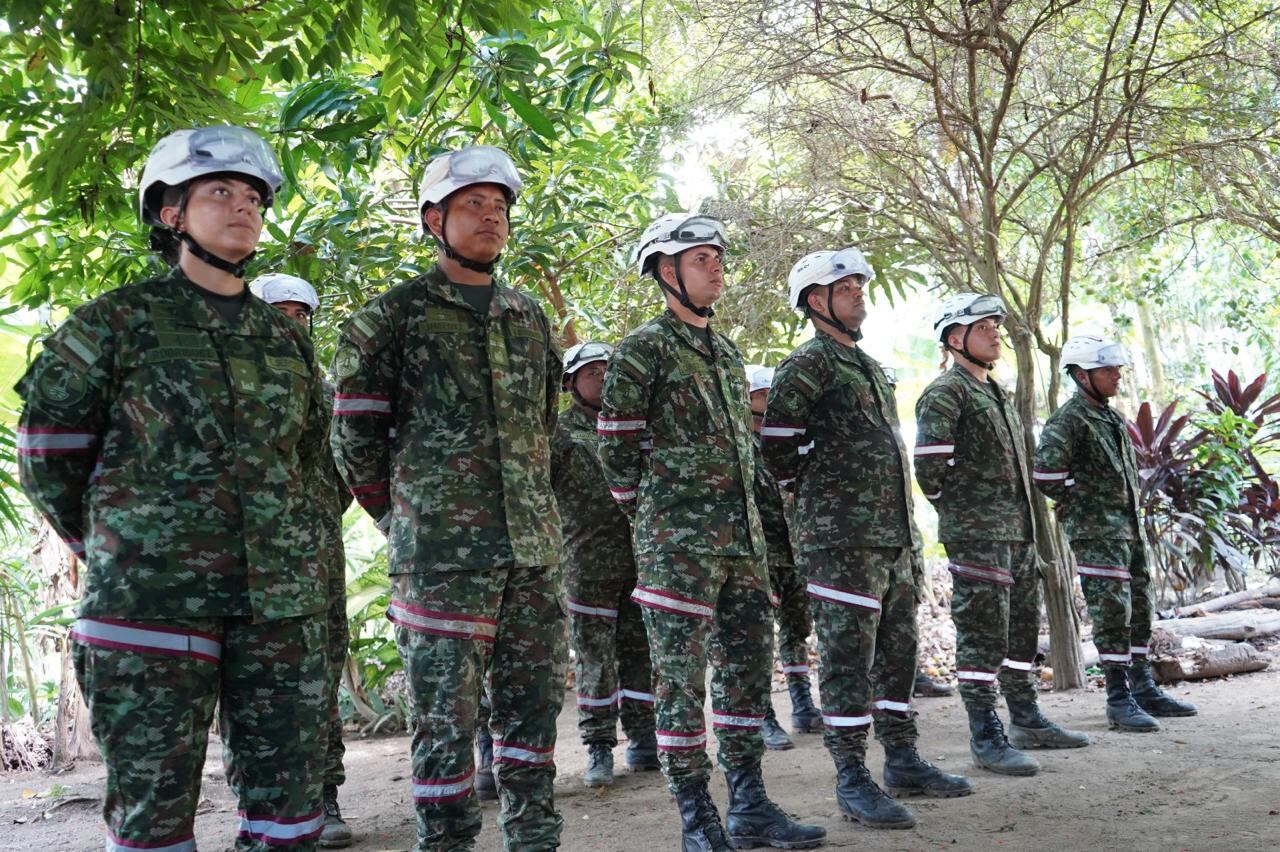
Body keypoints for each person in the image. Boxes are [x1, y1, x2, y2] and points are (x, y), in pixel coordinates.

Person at [17, 126, 331, 851]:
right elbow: (48, 454)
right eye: (220, 190)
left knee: (292, 820)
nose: (243, 206)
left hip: (278, 611)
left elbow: (313, 466)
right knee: (153, 823)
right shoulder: (114, 324)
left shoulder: (284, 340)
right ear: (169, 213)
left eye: (253, 195)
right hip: (148, 604)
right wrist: (119, 544)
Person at [330, 145, 567, 850]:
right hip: (438, 560)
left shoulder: (529, 318)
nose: (491, 216)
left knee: (532, 719)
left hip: (531, 554)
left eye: (499, 207)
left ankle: (535, 841)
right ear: (434, 219)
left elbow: (542, 430)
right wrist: (405, 520)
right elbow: (355, 442)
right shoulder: (389, 319)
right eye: (473, 204)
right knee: (444, 726)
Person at [598, 213, 825, 851]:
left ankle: (749, 803)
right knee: (678, 681)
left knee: (746, 675)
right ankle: (697, 816)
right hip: (677, 549)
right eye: (701, 258)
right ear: (666, 272)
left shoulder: (725, 353)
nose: (716, 267)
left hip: (742, 546)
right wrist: (655, 521)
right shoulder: (643, 348)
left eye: (718, 257)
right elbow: (615, 453)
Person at [762, 249, 971, 831]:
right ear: (814, 300)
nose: (858, 292)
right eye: (844, 284)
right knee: (848, 661)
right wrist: (821, 499)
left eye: (859, 283)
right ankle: (852, 779)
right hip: (840, 544)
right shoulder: (805, 366)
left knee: (898, 656)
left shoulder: (871, 366)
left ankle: (902, 760)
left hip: (895, 540)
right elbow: (776, 449)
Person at [1034, 335, 1197, 731]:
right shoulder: (1068, 420)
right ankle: (1117, 698)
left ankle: (1142, 687)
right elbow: (1045, 475)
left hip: (1127, 530)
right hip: (1096, 533)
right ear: (1081, 374)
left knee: (1139, 606)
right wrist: (1081, 499)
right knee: (1112, 613)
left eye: (1117, 369)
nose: (1117, 376)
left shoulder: (1109, 417)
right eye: (1108, 370)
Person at [250, 273, 355, 847]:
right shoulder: (234, 384)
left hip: (317, 560)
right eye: (281, 314)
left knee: (318, 679)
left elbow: (345, 471)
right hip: (246, 567)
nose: (294, 325)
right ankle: (261, 807)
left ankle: (325, 798)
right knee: (254, 692)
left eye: (302, 315)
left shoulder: (328, 391)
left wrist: (311, 519)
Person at [551, 341, 660, 786]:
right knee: (596, 658)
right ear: (571, 382)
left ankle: (643, 739)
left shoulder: (633, 428)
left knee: (640, 653)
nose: (600, 378)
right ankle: (598, 747)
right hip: (585, 564)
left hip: (641, 560)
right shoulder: (558, 434)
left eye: (606, 371)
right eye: (591, 371)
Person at [745, 364, 821, 751]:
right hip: (760, 555)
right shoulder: (740, 445)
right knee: (758, 639)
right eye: (764, 395)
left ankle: (803, 703)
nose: (773, 403)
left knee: (797, 630)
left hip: (797, 552)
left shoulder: (791, 444)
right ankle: (763, 716)